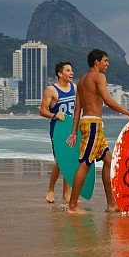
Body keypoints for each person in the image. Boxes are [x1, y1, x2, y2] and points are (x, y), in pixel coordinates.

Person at [66, 49, 129, 214]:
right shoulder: (98, 76)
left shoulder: (81, 81)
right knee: (85, 164)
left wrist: (74, 132)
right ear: (96, 62)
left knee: (108, 160)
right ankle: (72, 206)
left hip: (90, 124)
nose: (107, 64)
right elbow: (107, 100)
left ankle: (111, 204)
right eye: (105, 61)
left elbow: (77, 109)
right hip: (93, 124)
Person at [39, 61, 76, 203]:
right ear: (60, 74)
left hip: (72, 130)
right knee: (60, 162)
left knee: (70, 161)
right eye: (68, 70)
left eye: (72, 70)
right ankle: (50, 190)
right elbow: (42, 110)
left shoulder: (75, 88)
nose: (71, 73)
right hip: (57, 131)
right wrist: (54, 115)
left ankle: (66, 194)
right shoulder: (51, 90)